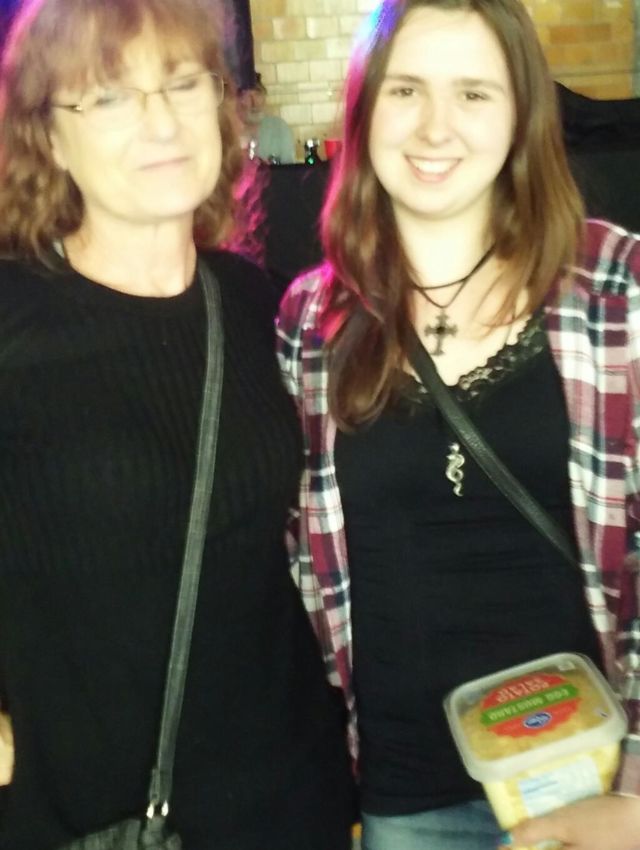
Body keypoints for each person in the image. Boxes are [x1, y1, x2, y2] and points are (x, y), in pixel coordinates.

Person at [276, 1, 640, 849]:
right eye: (406, 89)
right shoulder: (311, 320)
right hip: (408, 793)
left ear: (521, 115)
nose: (435, 126)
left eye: (474, 93)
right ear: (365, 109)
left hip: (594, 779)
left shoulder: (614, 288)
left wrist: (635, 789)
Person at [0, 1, 354, 848]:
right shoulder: (12, 320)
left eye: (183, 84)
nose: (160, 122)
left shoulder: (258, 301)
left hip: (292, 796)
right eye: (110, 97)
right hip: (94, 812)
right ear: (49, 138)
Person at [237, 73, 296, 164]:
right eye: (247, 96)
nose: (255, 102)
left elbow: (288, 168)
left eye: (258, 94)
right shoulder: (227, 131)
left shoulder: (279, 127)